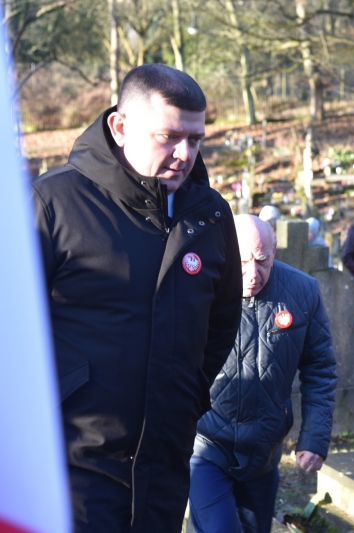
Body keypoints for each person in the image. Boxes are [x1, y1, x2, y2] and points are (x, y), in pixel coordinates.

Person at [32, 64, 242, 532]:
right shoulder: (53, 203)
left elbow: (222, 320)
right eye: (169, 137)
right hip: (71, 464)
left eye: (196, 139)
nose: (184, 154)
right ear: (120, 127)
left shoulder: (209, 215)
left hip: (164, 462)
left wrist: (187, 394)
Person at [190, 215, 337, 533]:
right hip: (206, 441)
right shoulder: (198, 287)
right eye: (243, 262)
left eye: (262, 261)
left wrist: (314, 438)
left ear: (274, 251)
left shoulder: (302, 291)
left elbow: (320, 369)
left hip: (264, 449)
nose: (252, 274)